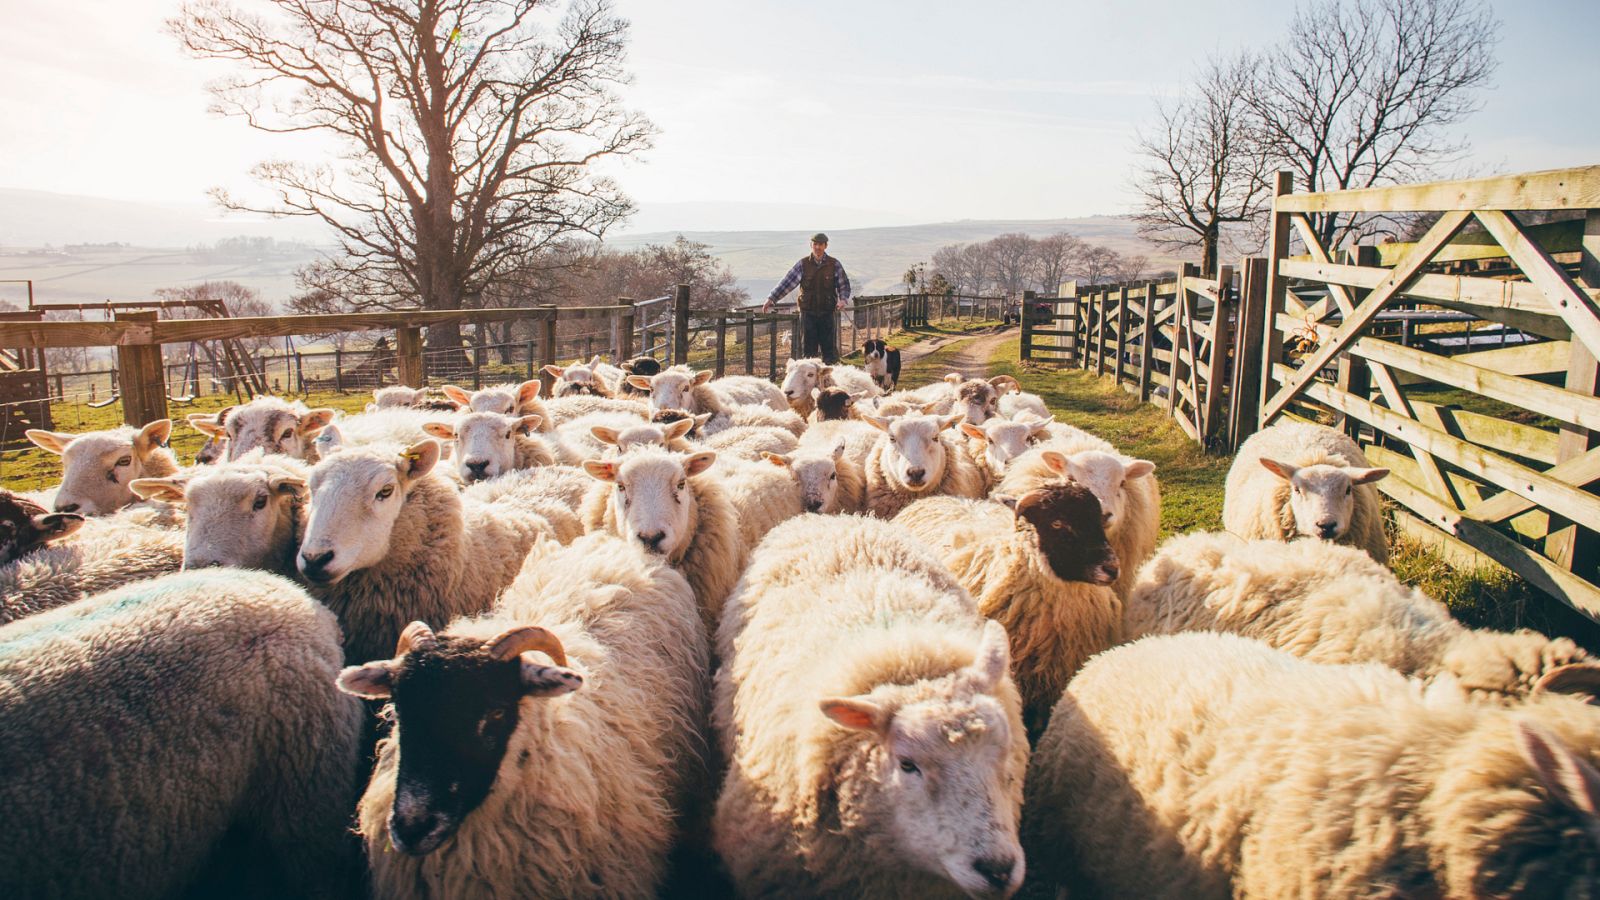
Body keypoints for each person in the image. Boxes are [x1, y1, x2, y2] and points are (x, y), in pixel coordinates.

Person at [763, 232, 851, 364]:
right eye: (815, 244)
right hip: (807, 314)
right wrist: (771, 298)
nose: (817, 247)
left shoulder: (834, 264)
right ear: (811, 245)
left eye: (820, 244)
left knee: (829, 351)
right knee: (808, 351)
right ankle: (810, 382)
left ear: (825, 246)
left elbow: (844, 285)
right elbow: (787, 282)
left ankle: (830, 380)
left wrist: (843, 300)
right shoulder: (803, 264)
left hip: (827, 313)